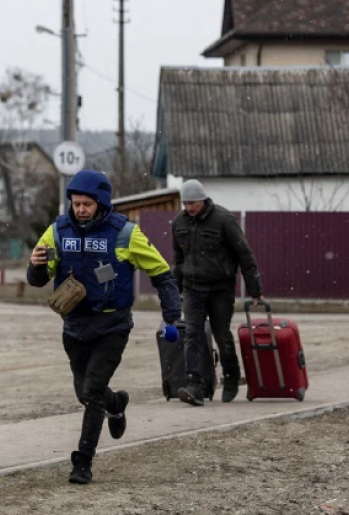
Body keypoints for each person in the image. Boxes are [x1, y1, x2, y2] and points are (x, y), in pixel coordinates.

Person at [27, 169, 181, 485]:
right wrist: (36, 265)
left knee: (92, 389)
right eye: (76, 203)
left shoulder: (125, 233)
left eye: (87, 204)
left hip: (112, 325)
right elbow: (38, 279)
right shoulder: (57, 231)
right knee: (85, 393)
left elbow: (162, 273)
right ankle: (116, 404)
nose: (80, 209)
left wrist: (172, 314)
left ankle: (82, 462)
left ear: (101, 202)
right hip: (74, 325)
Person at [172, 179, 262, 407]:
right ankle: (196, 385)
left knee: (222, 335)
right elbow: (178, 260)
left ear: (203, 200)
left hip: (221, 288)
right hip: (192, 288)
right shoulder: (179, 223)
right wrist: (174, 292)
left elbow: (245, 255)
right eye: (186, 203)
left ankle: (231, 376)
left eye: (193, 203)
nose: (189, 207)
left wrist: (255, 291)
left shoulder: (224, 219)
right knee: (193, 334)